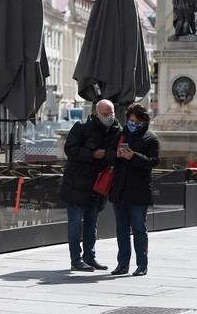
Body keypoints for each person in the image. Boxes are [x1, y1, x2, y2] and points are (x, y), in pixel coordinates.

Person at [60, 99, 121, 272]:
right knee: (75, 223)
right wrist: (92, 154)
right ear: (96, 113)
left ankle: (90, 257)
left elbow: (117, 154)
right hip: (77, 183)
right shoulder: (81, 126)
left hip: (98, 185)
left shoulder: (116, 130)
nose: (109, 117)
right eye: (105, 114)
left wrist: (105, 155)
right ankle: (76, 259)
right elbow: (70, 149)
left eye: (111, 113)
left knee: (91, 223)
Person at [109, 103, 160, 277]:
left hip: (138, 191)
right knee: (121, 229)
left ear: (144, 121)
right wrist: (116, 154)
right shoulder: (121, 135)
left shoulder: (150, 139)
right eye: (131, 120)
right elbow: (110, 156)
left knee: (138, 228)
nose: (133, 124)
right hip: (120, 189)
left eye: (137, 121)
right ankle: (122, 264)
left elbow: (153, 161)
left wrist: (133, 156)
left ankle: (142, 265)